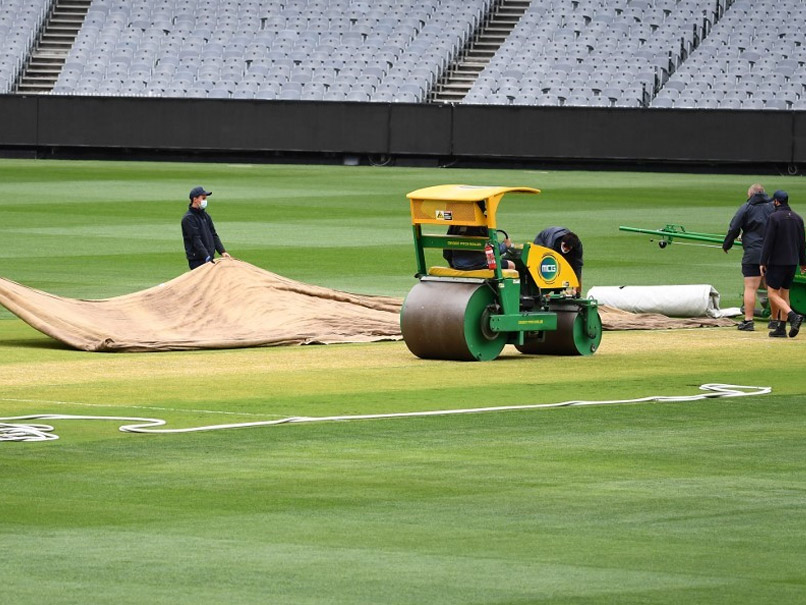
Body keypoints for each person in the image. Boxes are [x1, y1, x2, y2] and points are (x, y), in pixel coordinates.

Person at [722, 184, 774, 331]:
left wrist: (727, 244)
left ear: (750, 194)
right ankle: (775, 320)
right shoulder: (773, 207)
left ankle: (749, 321)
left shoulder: (746, 207)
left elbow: (734, 228)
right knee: (772, 288)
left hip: (753, 253)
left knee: (750, 287)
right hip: (772, 254)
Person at [759, 190, 806, 338]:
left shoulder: (774, 217)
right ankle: (781, 328)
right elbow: (802, 244)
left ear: (777, 202)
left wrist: (763, 261)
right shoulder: (798, 218)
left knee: (772, 293)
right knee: (785, 293)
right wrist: (803, 263)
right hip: (793, 262)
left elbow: (768, 241)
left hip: (777, 261)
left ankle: (793, 316)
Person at [182, 186, 231, 270]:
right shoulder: (188, 219)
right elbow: (195, 240)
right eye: (203, 198)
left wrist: (222, 251)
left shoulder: (205, 216)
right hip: (197, 260)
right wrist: (206, 257)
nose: (205, 201)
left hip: (208, 258)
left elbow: (213, 235)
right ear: (195, 199)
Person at [534, 227, 583, 294]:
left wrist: (575, 289)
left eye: (568, 248)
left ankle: (561, 291)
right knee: (547, 267)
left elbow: (577, 267)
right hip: (542, 241)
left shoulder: (577, 248)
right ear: (562, 242)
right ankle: (540, 292)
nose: (566, 249)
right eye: (564, 246)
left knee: (566, 267)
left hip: (558, 240)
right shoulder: (552, 243)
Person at [443, 225, 515, 270]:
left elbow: (446, 253)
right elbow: (495, 251)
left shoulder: (455, 224)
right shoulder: (482, 224)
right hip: (478, 264)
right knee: (511, 265)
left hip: (458, 264)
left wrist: (453, 264)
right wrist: (505, 245)